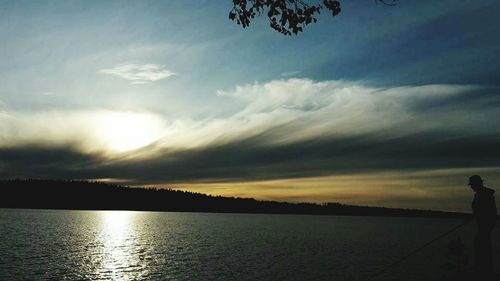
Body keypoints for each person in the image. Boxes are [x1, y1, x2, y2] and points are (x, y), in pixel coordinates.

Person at [467, 175, 497, 278]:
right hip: (483, 225)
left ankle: (483, 269)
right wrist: (471, 217)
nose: (471, 187)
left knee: (481, 243)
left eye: (472, 185)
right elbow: (478, 212)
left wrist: (477, 217)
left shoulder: (485, 195)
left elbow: (489, 212)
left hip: (486, 225)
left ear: (477, 184)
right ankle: (483, 267)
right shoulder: (480, 195)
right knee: (482, 244)